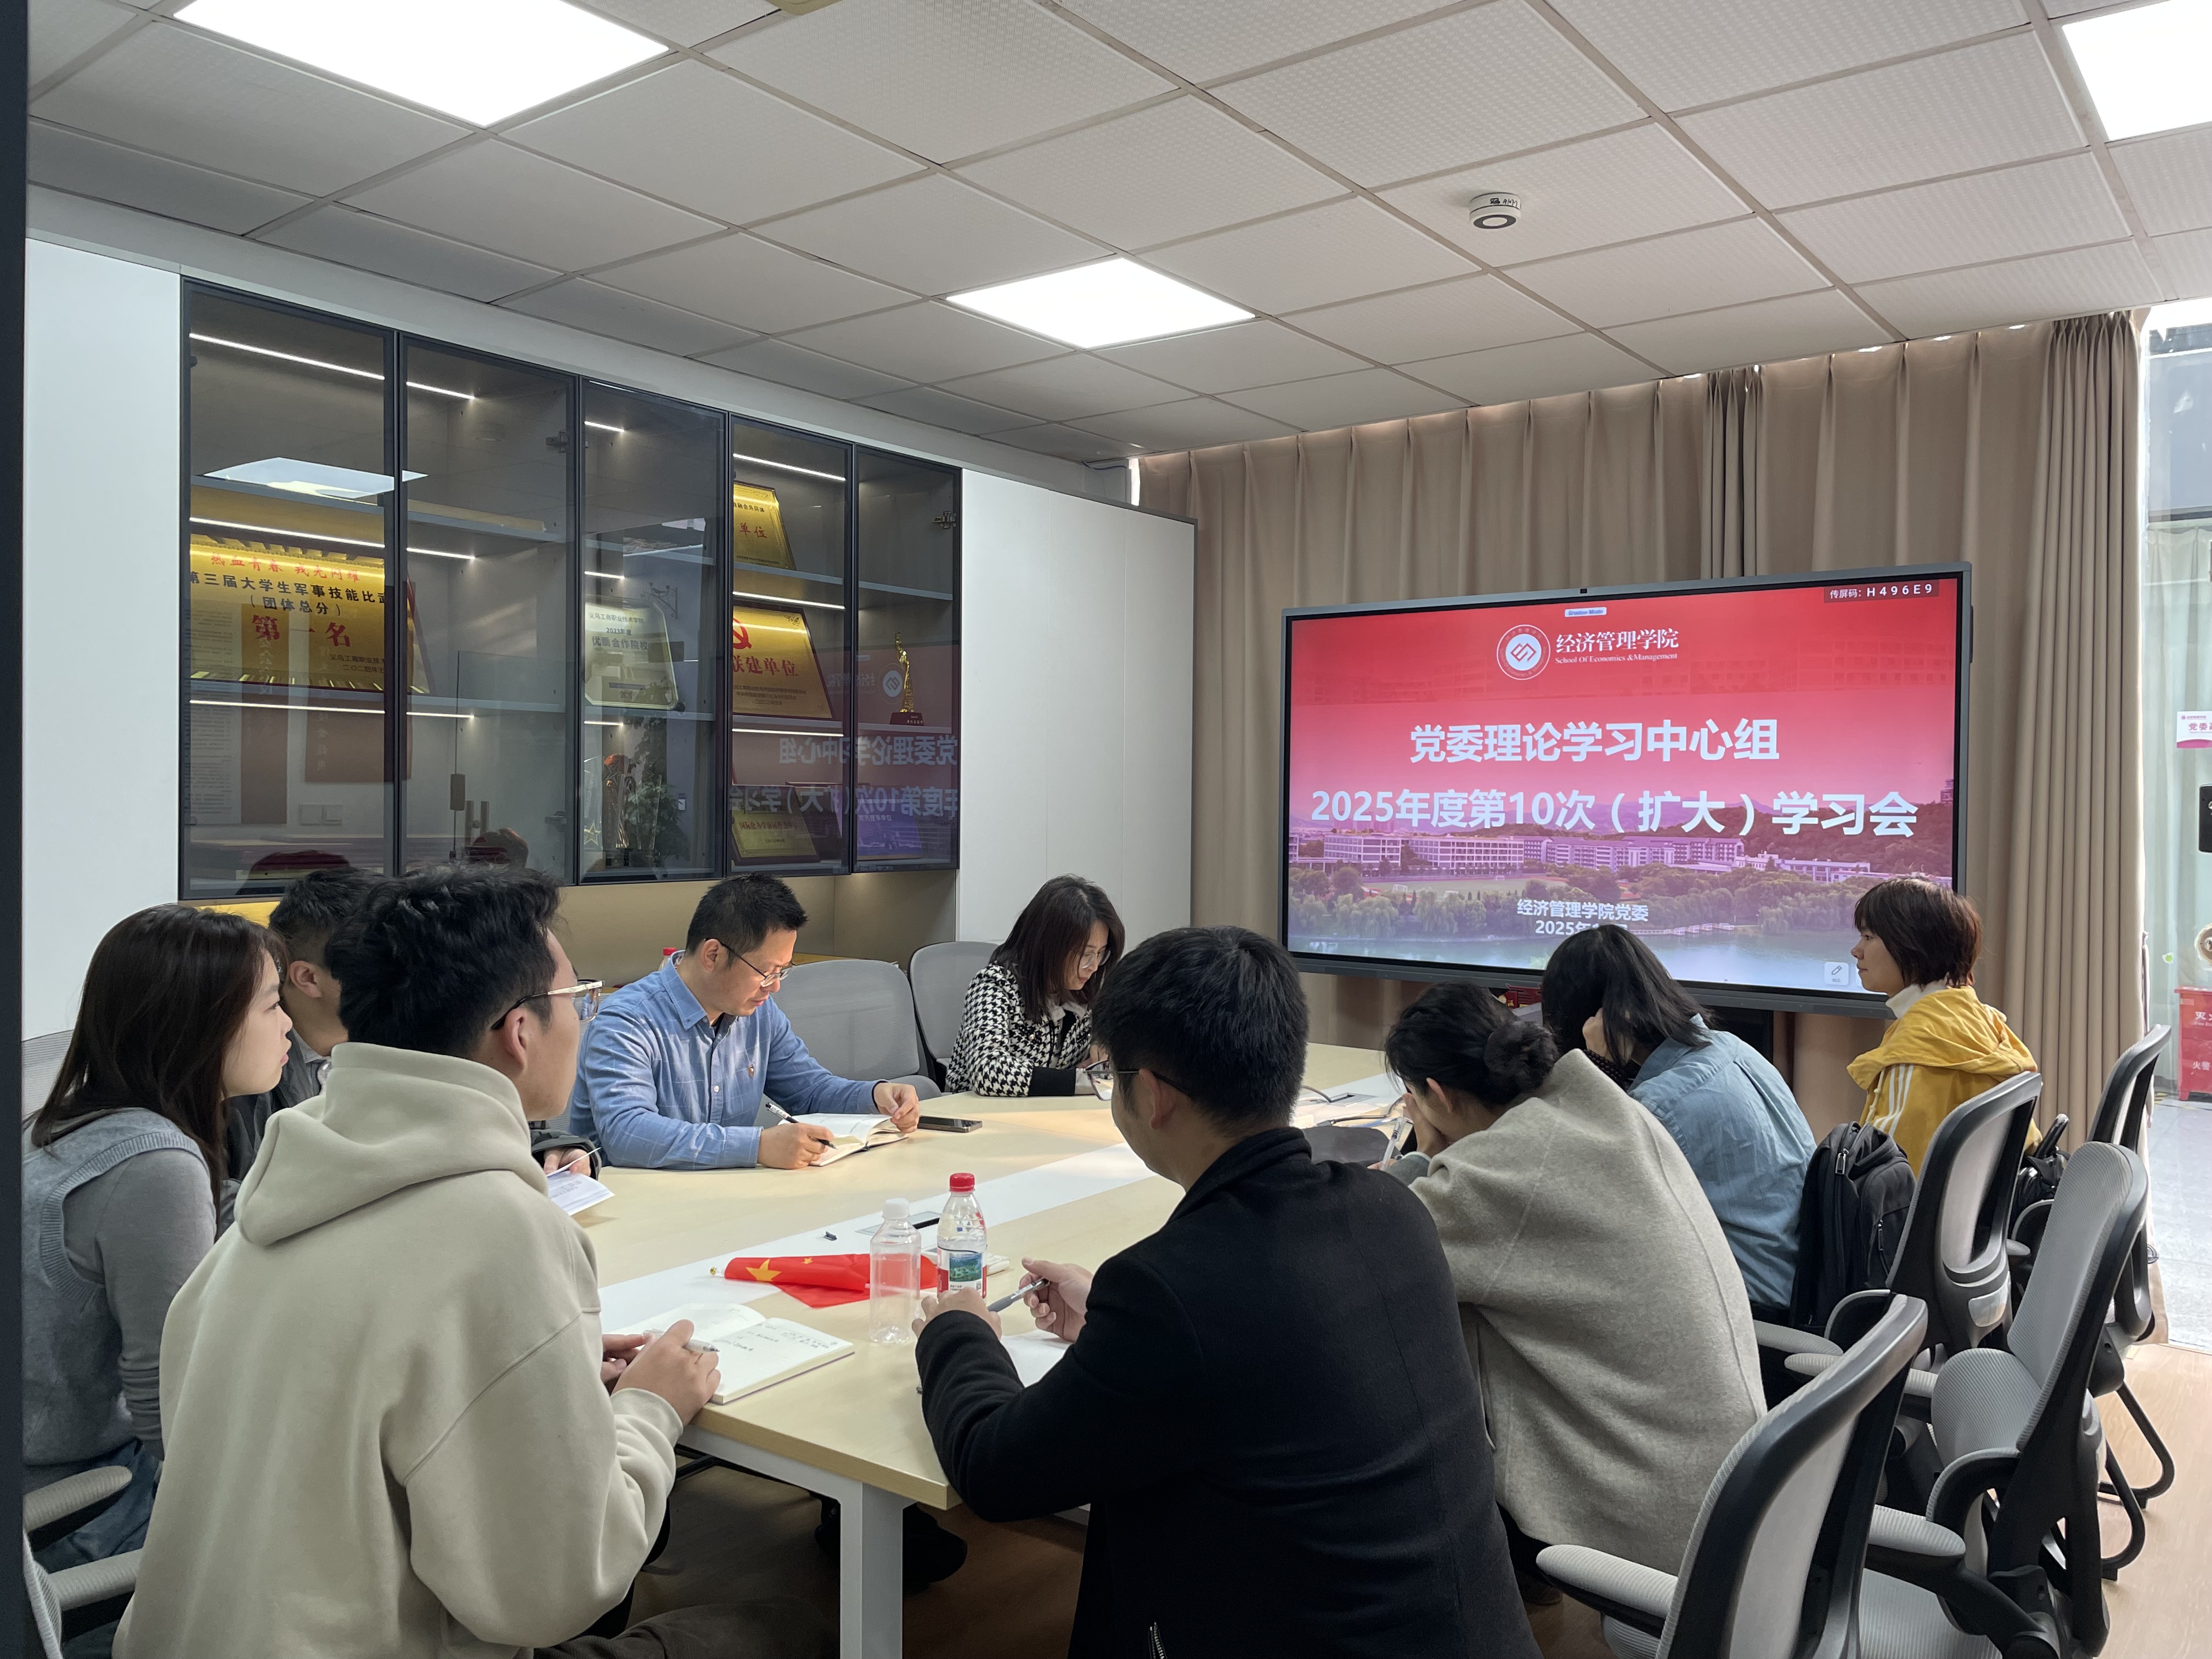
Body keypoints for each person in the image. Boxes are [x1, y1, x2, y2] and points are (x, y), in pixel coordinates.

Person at [114, 867, 827, 1659]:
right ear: (519, 1032)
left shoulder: (270, 1200)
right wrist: (651, 1410)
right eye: (578, 999)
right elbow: (557, 1590)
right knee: (790, 1632)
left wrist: (539, 1366)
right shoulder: (500, 1229)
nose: (585, 1018)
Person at [912, 926, 1538, 1658]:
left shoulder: (1172, 1289)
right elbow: (1267, 1350)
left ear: (1152, 1095)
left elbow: (994, 1470)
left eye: (1113, 1073)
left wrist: (960, 1330)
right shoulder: (1393, 1211)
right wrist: (1109, 1328)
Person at [1384, 983, 1763, 1581]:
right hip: (1734, 1479)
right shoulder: (1599, 1108)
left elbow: (1379, 1243)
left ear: (1436, 1093)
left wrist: (1417, 1155)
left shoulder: (1502, 1173)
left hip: (1665, 1512)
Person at [22, 906, 292, 1566]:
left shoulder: (64, 1124)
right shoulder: (154, 1165)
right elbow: (170, 1408)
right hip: (79, 1507)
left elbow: (225, 1212)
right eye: (271, 1005)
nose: (288, 1024)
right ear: (204, 1024)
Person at [229, 867, 594, 1194]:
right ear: (308, 978)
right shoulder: (242, 1066)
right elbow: (223, 1201)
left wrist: (548, 1149)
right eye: (370, 964)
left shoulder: (401, 1039)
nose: (404, 978)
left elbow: (455, 1129)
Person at [1540, 924, 1814, 1319]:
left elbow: (1583, 1196)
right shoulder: (1731, 1047)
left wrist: (1597, 1067)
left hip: (1752, 1309)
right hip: (1795, 1277)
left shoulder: (1659, 1106)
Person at [570, 873, 920, 1170]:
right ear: (713, 955)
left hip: (729, 1200)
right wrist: (757, 1147)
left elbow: (810, 1091)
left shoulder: (759, 1013)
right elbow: (627, 1134)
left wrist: (874, 1096)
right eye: (766, 971)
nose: (775, 986)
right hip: (638, 1209)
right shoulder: (628, 1020)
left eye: (782, 970)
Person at [1848, 877, 2036, 1171]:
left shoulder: (1917, 1048)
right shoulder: (1982, 1020)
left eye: (1869, 937)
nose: (1856, 950)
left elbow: (1887, 1177)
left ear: (1912, 945)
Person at [945, 875, 1124, 1096]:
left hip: (1049, 1110)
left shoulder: (1082, 991)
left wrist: (1102, 1045)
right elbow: (987, 1071)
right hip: (976, 1112)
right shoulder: (995, 986)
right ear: (1050, 946)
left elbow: (1114, 1041)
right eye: (1086, 954)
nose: (1094, 966)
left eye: (1100, 954)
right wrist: (1077, 1082)